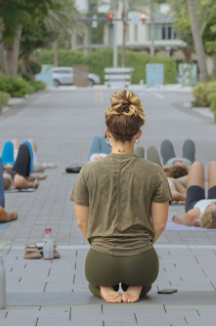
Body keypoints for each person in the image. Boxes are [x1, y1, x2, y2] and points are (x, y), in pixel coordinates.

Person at [71, 90, 170, 304]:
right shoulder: (154, 171)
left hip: (100, 261)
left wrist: (100, 246)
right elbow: (160, 224)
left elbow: (81, 221)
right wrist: (139, 247)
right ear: (138, 134)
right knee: (145, 282)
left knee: (93, 282)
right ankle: (136, 287)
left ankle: (104, 287)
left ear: (108, 133)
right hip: (143, 262)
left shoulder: (88, 171)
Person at [171, 161, 216, 229]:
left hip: (195, 203)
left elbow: (179, 219)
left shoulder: (193, 215)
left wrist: (174, 218)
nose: (213, 203)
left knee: (197, 165)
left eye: (209, 206)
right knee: (215, 164)